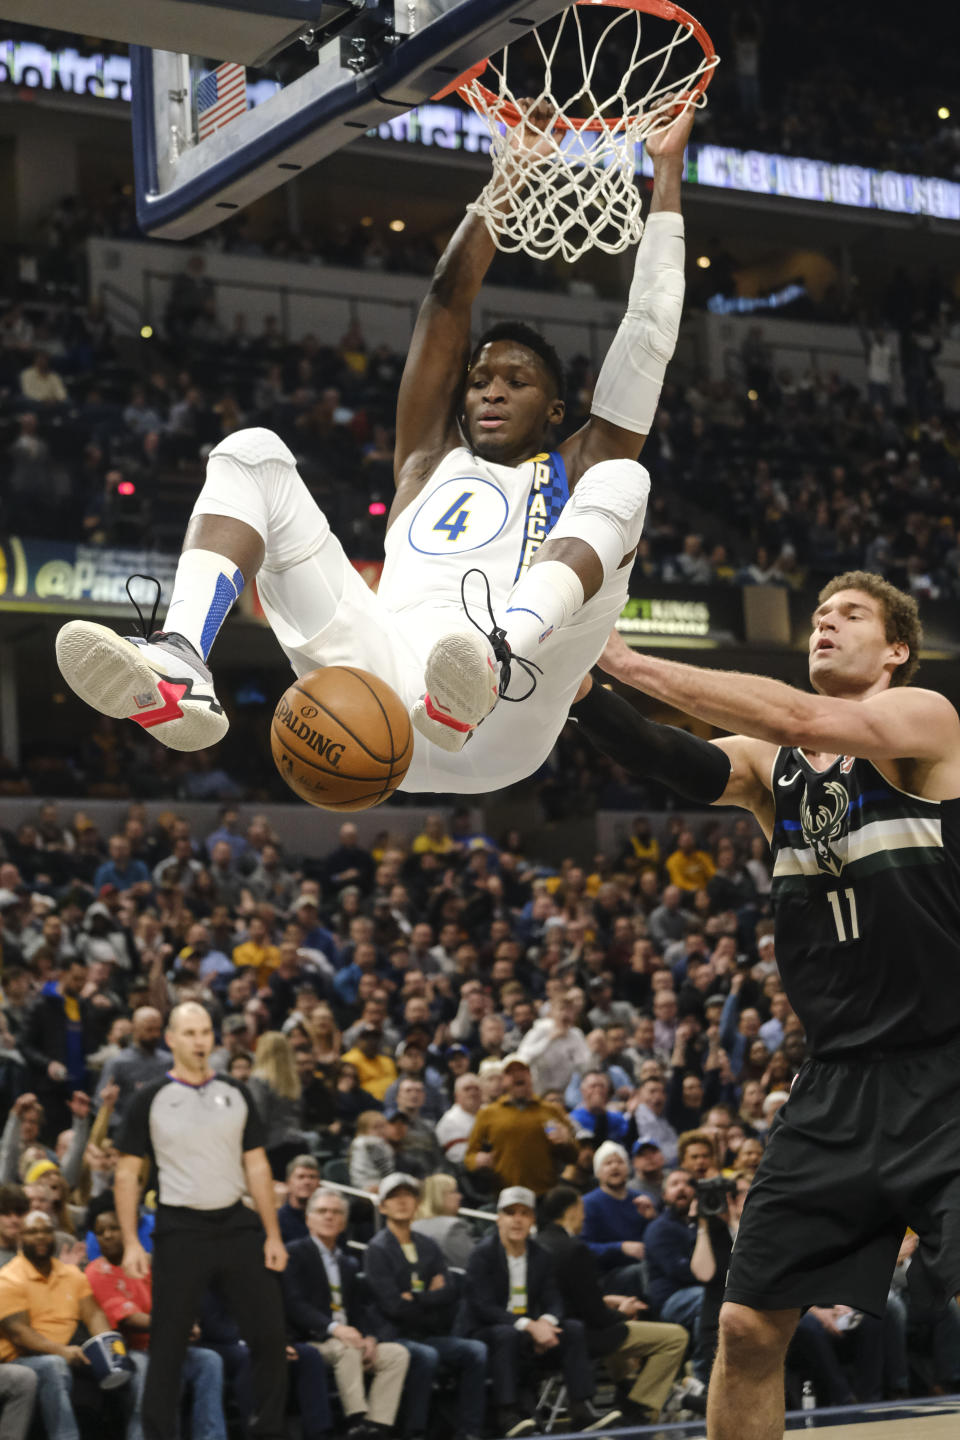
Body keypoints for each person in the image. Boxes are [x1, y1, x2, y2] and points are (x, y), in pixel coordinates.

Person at [54, 104, 695, 799]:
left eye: (516, 381)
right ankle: (180, 663)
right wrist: (511, 171)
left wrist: (665, 174)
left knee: (625, 484)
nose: (491, 392)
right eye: (479, 379)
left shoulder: (578, 465)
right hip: (387, 691)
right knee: (252, 452)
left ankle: (497, 651)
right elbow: (447, 301)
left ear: (557, 410)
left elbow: (652, 325)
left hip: (511, 709)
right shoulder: (426, 460)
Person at [582, 569, 960, 1440]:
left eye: (850, 616)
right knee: (747, 1326)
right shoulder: (769, 766)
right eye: (819, 616)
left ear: (896, 649)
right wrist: (574, 689)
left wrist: (629, 660)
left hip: (946, 1071)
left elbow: (805, 717)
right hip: (835, 1084)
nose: (825, 625)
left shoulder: (923, 720)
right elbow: (670, 758)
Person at [114, 1001, 288, 1440]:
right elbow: (126, 1173)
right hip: (180, 1229)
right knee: (168, 1349)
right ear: (171, 1039)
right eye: (189, 1033)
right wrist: (133, 1242)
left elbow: (258, 1167)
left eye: (206, 1032)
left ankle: (266, 1432)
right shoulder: (150, 1098)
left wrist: (273, 1234)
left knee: (269, 1339)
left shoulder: (236, 1091)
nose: (199, 1041)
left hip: (236, 1224)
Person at [459, 1185, 620, 1437]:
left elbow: (553, 1298)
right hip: (486, 1330)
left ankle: (580, 1409)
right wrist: (529, 1326)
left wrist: (545, 1322)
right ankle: (508, 1413)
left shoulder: (540, 1255)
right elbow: (484, 1307)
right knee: (506, 1334)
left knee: (574, 1328)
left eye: (524, 1213)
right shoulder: (482, 1255)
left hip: (528, 1330)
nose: (517, 1219)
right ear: (499, 1218)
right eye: (511, 1213)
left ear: (533, 1219)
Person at [538, 1184, 688, 1425]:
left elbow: (569, 1296)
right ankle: (640, 1407)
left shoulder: (539, 1243)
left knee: (619, 1334)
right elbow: (598, 1317)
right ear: (573, 1210)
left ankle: (625, 1392)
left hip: (553, 1333)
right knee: (676, 1337)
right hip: (584, 1336)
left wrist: (608, 1301)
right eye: (581, 1209)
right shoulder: (575, 1249)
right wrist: (623, 1312)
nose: (584, 1216)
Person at [85, 1208, 229, 1440]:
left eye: (114, 1228)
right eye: (100, 1232)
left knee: (209, 1361)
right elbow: (129, 1319)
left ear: (128, 1231)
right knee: (147, 1372)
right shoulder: (96, 1272)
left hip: (164, 1346)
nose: (108, 1235)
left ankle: (212, 1436)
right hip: (129, 1352)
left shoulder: (146, 1263)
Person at [365, 1173, 487, 1440]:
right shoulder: (376, 1249)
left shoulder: (427, 1245)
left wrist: (417, 1299)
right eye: (394, 1196)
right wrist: (429, 1298)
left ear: (417, 1202)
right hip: (394, 1336)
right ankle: (415, 1432)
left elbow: (449, 1292)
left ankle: (469, 1431)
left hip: (428, 1331)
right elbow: (393, 1306)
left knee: (475, 1351)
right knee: (426, 1356)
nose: (402, 1202)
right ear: (382, 1206)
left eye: (408, 1195)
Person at [281, 1187, 409, 1440]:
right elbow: (295, 1305)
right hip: (312, 1340)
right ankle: (355, 1422)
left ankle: (377, 1426)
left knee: (396, 1354)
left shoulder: (347, 1261)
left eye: (336, 1212)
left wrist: (370, 1337)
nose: (329, 1216)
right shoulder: (294, 1253)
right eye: (322, 1211)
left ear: (343, 1222)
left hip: (348, 1337)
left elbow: (358, 1310)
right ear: (308, 1219)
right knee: (346, 1349)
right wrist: (335, 1329)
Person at [0, 1210, 116, 1440]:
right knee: (53, 1365)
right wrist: (61, 1351)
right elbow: (20, 1334)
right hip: (22, 1358)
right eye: (32, 1232)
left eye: (46, 1231)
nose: (41, 1236)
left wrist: (108, 1347)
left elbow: (93, 1315)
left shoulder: (72, 1274)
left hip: (67, 1352)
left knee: (123, 1367)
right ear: (21, 1238)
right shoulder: (8, 1278)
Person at [463, 1056, 574, 1196]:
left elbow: (574, 1155)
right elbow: (469, 1156)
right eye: (510, 1072)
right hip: (505, 1195)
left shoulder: (552, 1111)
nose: (517, 1075)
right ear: (503, 1080)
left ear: (530, 1076)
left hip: (545, 1194)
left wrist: (567, 1141)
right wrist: (477, 1160)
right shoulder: (487, 1114)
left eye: (522, 1070)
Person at [412, 1174, 476, 1271]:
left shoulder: (413, 1225)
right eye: (454, 1192)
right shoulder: (453, 1227)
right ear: (439, 1196)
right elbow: (472, 1265)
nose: (459, 1196)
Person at [277, 1155, 321, 1243]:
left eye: (312, 1177)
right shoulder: (277, 1221)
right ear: (288, 1183)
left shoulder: (327, 1218)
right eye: (301, 1177)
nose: (307, 1182)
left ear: (319, 1183)